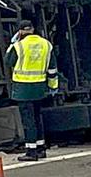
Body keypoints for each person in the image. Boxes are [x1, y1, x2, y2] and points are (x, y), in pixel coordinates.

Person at [5, 20, 59, 161]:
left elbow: (7, 61)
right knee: (37, 118)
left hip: (23, 89)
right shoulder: (46, 44)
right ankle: (41, 148)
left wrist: (12, 44)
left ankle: (31, 152)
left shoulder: (19, 46)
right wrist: (53, 86)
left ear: (20, 31)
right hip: (39, 88)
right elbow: (52, 69)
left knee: (28, 121)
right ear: (33, 29)